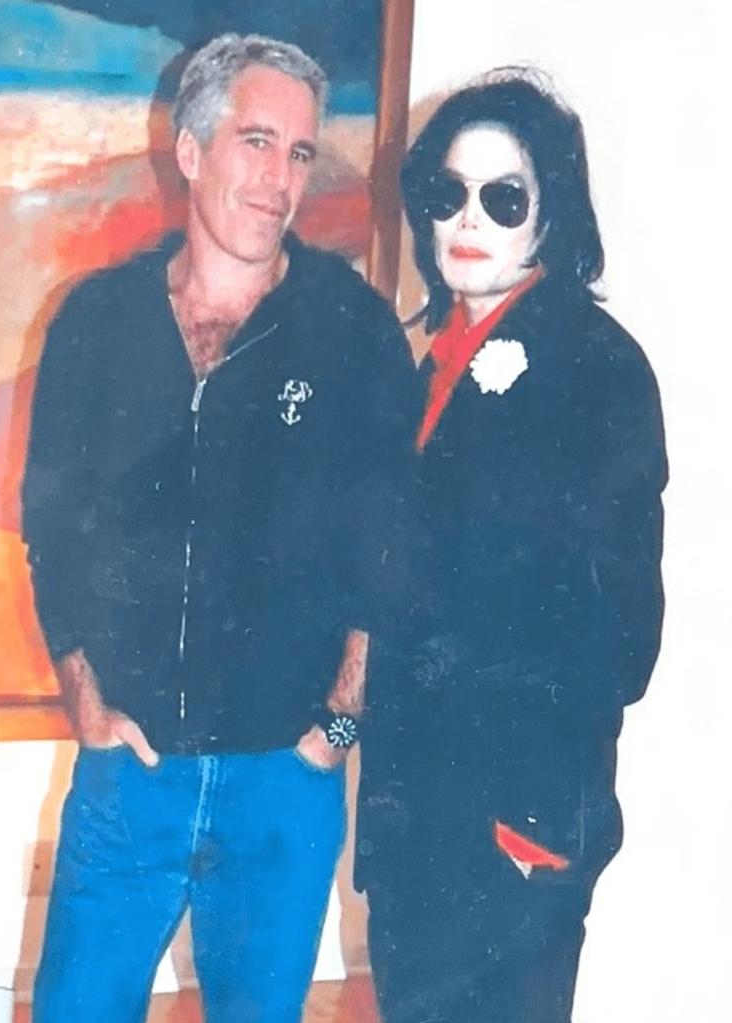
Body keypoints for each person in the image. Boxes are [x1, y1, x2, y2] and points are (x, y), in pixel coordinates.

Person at [22, 33, 417, 1023]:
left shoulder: (353, 330)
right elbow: (54, 531)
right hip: (130, 778)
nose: (280, 180)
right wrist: (87, 703)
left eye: (299, 152)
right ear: (191, 151)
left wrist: (335, 728)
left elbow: (388, 549)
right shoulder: (96, 324)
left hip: (282, 783)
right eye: (256, 142)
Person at [357, 69, 668, 1023]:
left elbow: (621, 636)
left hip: (508, 834)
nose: (468, 219)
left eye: (504, 198)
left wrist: (527, 823)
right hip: (416, 825)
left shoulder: (596, 365)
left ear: (551, 215)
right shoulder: (434, 360)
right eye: (448, 192)